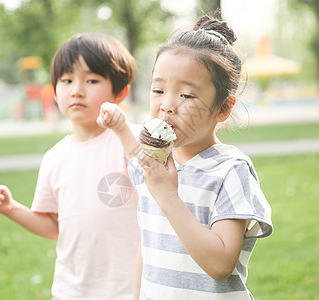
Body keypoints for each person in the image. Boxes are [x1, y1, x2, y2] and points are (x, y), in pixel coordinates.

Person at [98, 15, 273, 299]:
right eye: (158, 90)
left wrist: (168, 197)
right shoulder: (155, 164)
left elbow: (220, 265)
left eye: (187, 96)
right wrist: (119, 128)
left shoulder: (230, 170)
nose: (167, 106)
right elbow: (148, 243)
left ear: (223, 109)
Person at [0, 33, 140, 300]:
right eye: (67, 80)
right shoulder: (55, 158)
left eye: (91, 80)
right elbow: (54, 226)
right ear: (54, 91)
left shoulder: (130, 141)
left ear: (120, 92)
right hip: (72, 290)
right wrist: (11, 208)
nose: (77, 90)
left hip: (129, 289)